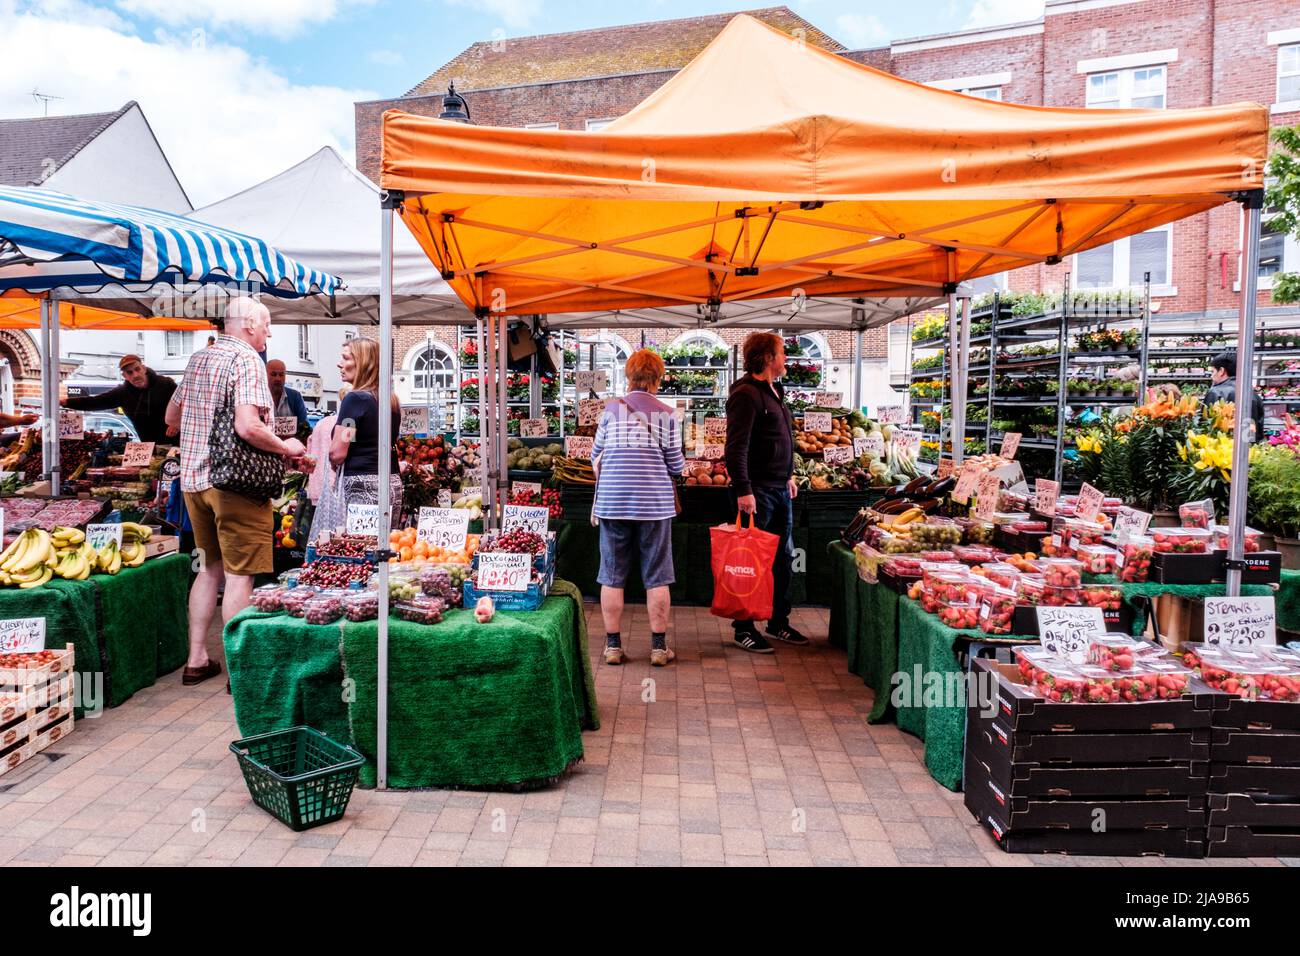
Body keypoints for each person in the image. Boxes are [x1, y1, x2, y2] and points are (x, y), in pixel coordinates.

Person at [164, 297, 308, 686]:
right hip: (235, 484)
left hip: (194, 482)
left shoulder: (199, 359)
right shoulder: (247, 361)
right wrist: (286, 447)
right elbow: (248, 426)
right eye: (265, 325)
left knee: (209, 570)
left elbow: (170, 418)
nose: (269, 332)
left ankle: (196, 660)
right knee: (241, 575)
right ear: (247, 324)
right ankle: (239, 668)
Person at [591, 349, 685, 667]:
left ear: (628, 377)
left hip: (612, 502)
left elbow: (596, 455)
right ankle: (658, 648)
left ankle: (613, 647)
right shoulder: (668, 414)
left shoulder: (610, 411)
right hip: (654, 506)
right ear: (657, 379)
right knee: (657, 575)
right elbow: (676, 465)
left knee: (612, 575)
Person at [724, 331, 808, 653]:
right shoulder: (746, 394)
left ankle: (777, 621)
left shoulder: (776, 391)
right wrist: (744, 489)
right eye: (782, 353)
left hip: (779, 490)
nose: (786, 358)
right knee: (751, 561)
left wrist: (787, 474)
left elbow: (778, 437)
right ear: (768, 357)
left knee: (782, 561)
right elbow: (736, 447)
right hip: (757, 492)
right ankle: (743, 628)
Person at [328, 338, 402, 532]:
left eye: (345, 358)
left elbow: (338, 452)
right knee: (386, 547)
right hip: (392, 482)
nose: (339, 364)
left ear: (363, 363)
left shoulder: (354, 400)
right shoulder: (390, 401)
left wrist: (332, 458)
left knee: (364, 549)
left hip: (363, 485)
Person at [63, 355, 178, 443]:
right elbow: (96, 402)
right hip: (148, 447)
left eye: (137, 369)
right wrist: (66, 402)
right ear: (125, 376)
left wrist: (177, 424)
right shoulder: (122, 393)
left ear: (144, 368)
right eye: (129, 372)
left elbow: (187, 404)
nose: (135, 375)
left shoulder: (166, 384)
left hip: (177, 442)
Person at [1206, 351, 1266, 441]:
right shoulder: (1253, 394)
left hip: (1222, 448)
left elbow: (1206, 424)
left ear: (1221, 371)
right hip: (1247, 448)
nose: (1211, 376)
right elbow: (1255, 431)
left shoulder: (1216, 392)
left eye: (1213, 371)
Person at [266, 359, 310, 432]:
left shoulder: (295, 397)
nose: (278, 378)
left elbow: (305, 427)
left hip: (291, 442)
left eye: (281, 375)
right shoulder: (259, 397)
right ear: (265, 375)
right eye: (273, 374)